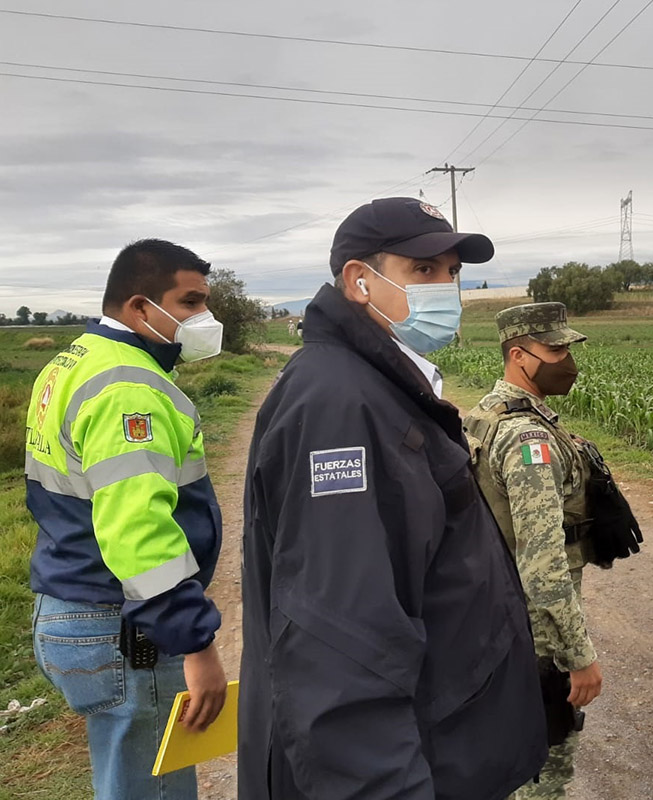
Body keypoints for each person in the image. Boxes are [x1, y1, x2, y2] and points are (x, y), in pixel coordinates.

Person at [240, 197, 547, 800]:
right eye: (423, 270)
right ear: (360, 281)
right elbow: (341, 645)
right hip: (408, 765)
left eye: (452, 272)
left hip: (437, 739)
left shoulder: (380, 385)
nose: (446, 289)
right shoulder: (339, 406)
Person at [25, 239, 228, 800]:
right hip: (122, 624)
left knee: (125, 779)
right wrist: (196, 644)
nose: (203, 318)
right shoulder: (128, 388)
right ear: (141, 307)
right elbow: (138, 532)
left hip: (69, 602)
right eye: (189, 303)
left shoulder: (73, 361)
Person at [464, 302, 641, 800]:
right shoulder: (528, 438)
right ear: (518, 355)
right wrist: (579, 656)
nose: (568, 360)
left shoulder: (486, 415)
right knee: (541, 775)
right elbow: (543, 566)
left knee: (508, 760)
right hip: (535, 635)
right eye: (555, 349)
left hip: (495, 610)